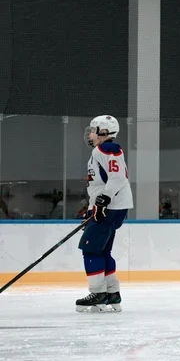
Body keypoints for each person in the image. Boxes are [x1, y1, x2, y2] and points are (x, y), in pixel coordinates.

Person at [76, 115, 133, 313]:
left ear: (104, 133)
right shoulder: (101, 150)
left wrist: (103, 201)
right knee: (102, 251)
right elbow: (102, 183)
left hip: (109, 208)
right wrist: (93, 207)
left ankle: (97, 293)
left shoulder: (107, 148)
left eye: (93, 129)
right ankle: (112, 293)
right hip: (109, 208)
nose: (90, 133)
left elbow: (117, 178)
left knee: (90, 250)